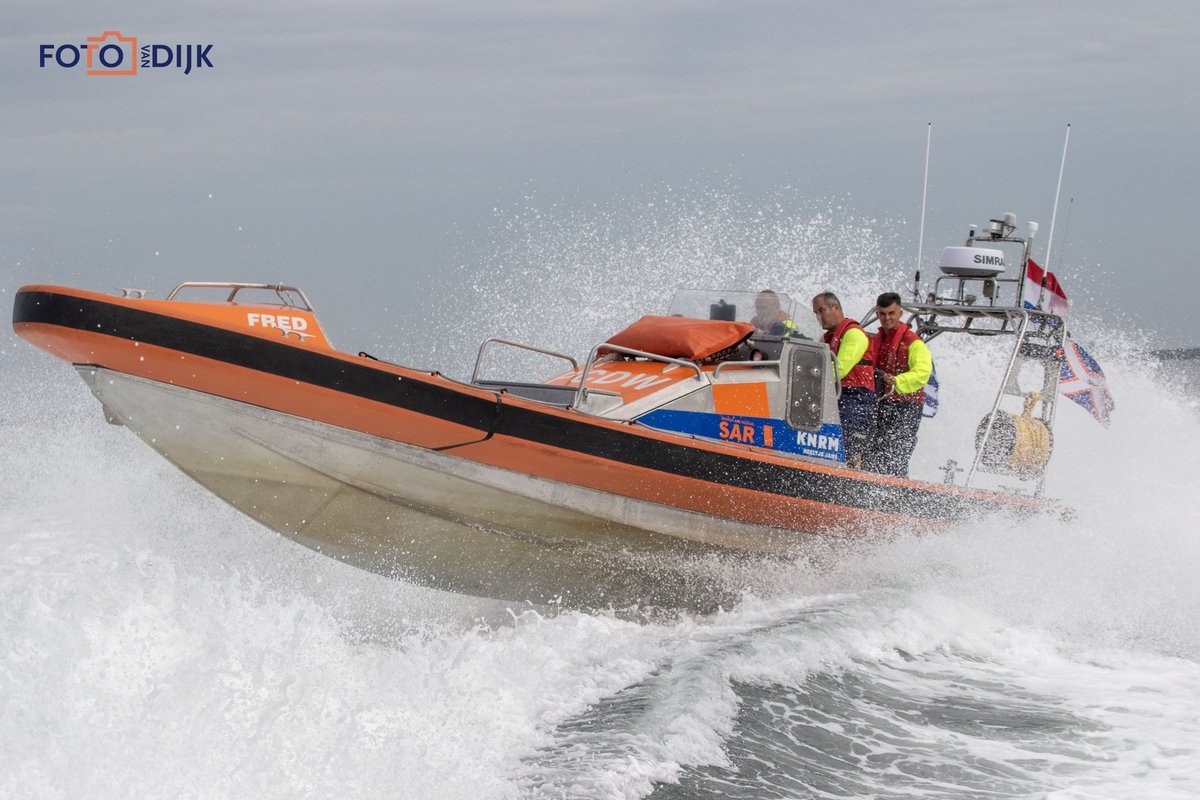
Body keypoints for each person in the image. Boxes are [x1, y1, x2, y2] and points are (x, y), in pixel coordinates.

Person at [863, 292, 932, 477]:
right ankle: (870, 479)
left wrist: (897, 381)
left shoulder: (913, 343)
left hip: (907, 406)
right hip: (880, 403)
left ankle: (898, 482)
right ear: (877, 314)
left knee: (897, 450)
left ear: (900, 313)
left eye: (891, 313)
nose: (887, 318)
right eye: (883, 314)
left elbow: (923, 372)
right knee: (874, 446)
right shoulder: (874, 340)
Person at [812, 291, 877, 467]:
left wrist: (810, 380)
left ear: (836, 308)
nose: (818, 316)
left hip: (856, 399)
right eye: (815, 313)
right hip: (836, 396)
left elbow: (839, 369)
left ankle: (849, 469)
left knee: (844, 446)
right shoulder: (826, 338)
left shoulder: (854, 334)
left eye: (821, 310)